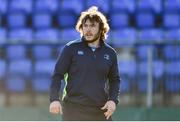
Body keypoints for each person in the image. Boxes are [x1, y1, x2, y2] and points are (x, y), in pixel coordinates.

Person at [49, 6, 120, 121]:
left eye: (92, 26)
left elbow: (115, 80)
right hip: (73, 109)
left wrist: (112, 100)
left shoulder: (110, 53)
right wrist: (54, 99)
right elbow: (57, 75)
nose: (88, 29)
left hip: (101, 110)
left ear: (101, 29)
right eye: (85, 26)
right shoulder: (70, 48)